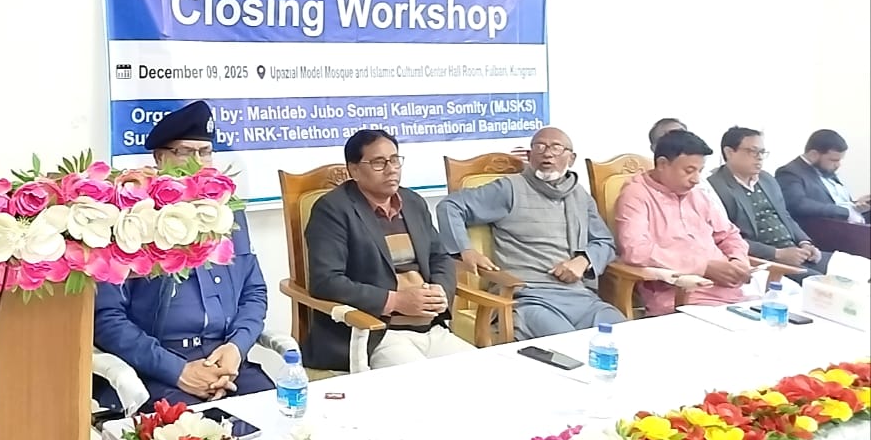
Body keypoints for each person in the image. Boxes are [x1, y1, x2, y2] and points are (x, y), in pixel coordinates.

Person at [92, 101, 271, 411]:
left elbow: (254, 292)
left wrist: (236, 348)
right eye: (186, 152)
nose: (198, 163)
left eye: (205, 152)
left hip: (224, 361)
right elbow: (107, 319)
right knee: (195, 435)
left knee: (283, 420)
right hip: (155, 368)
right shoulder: (129, 218)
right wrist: (178, 371)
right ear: (160, 158)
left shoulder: (228, 212)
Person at [302, 129, 473, 371]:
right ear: (354, 170)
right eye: (379, 163)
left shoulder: (413, 202)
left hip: (431, 328)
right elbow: (326, 281)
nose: (391, 169)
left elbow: (439, 257)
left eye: (394, 160)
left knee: (485, 374)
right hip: (376, 333)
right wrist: (396, 301)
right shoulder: (332, 210)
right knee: (429, 385)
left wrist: (440, 292)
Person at [438, 128, 626, 340]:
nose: (547, 154)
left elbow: (604, 242)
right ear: (529, 155)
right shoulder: (509, 188)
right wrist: (466, 250)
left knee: (622, 333)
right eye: (540, 147)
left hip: (580, 297)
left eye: (556, 148)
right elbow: (450, 206)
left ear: (571, 158)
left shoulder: (580, 195)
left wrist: (583, 261)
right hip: (529, 297)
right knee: (568, 343)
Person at [614, 130, 751, 316]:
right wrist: (702, 267)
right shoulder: (636, 195)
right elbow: (635, 250)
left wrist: (738, 261)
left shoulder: (697, 195)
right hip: (680, 296)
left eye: (700, 171)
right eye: (689, 171)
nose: (696, 179)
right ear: (663, 164)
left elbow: (728, 234)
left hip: (730, 292)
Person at [708, 127, 829, 283]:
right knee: (824, 284)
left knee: (852, 267)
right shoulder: (715, 187)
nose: (759, 158)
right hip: (766, 260)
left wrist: (805, 243)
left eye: (762, 152)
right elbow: (727, 237)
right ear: (729, 152)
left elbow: (784, 216)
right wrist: (777, 253)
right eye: (753, 151)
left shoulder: (767, 179)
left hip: (796, 252)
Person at [776, 129, 870, 224]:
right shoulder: (790, 172)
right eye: (834, 160)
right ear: (813, 154)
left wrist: (856, 205)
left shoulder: (825, 170)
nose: (838, 165)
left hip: (849, 225)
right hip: (820, 229)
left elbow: (834, 203)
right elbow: (796, 204)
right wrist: (846, 212)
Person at [648, 118, 726, 218]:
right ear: (654, 148)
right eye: (671, 137)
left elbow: (721, 221)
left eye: (683, 135)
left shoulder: (700, 182)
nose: (695, 180)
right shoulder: (642, 190)